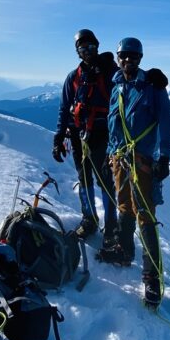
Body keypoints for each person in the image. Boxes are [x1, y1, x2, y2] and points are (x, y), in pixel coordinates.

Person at [96, 37, 170, 308]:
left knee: (145, 214)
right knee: (123, 206)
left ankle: (152, 277)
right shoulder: (118, 85)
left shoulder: (152, 87)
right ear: (119, 59)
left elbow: (167, 122)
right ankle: (124, 251)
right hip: (119, 158)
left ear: (140, 59)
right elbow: (112, 123)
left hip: (142, 160)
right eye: (124, 56)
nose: (128, 60)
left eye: (133, 56)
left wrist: (164, 156)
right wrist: (110, 153)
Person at [52, 29, 120, 244]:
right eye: (82, 48)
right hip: (78, 137)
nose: (87, 51)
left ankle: (111, 228)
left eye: (90, 47)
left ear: (97, 47)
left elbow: (130, 83)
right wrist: (59, 138)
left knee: (105, 181)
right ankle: (89, 219)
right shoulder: (74, 78)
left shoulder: (110, 72)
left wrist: (150, 79)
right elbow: (64, 108)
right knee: (84, 179)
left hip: (103, 135)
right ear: (77, 52)